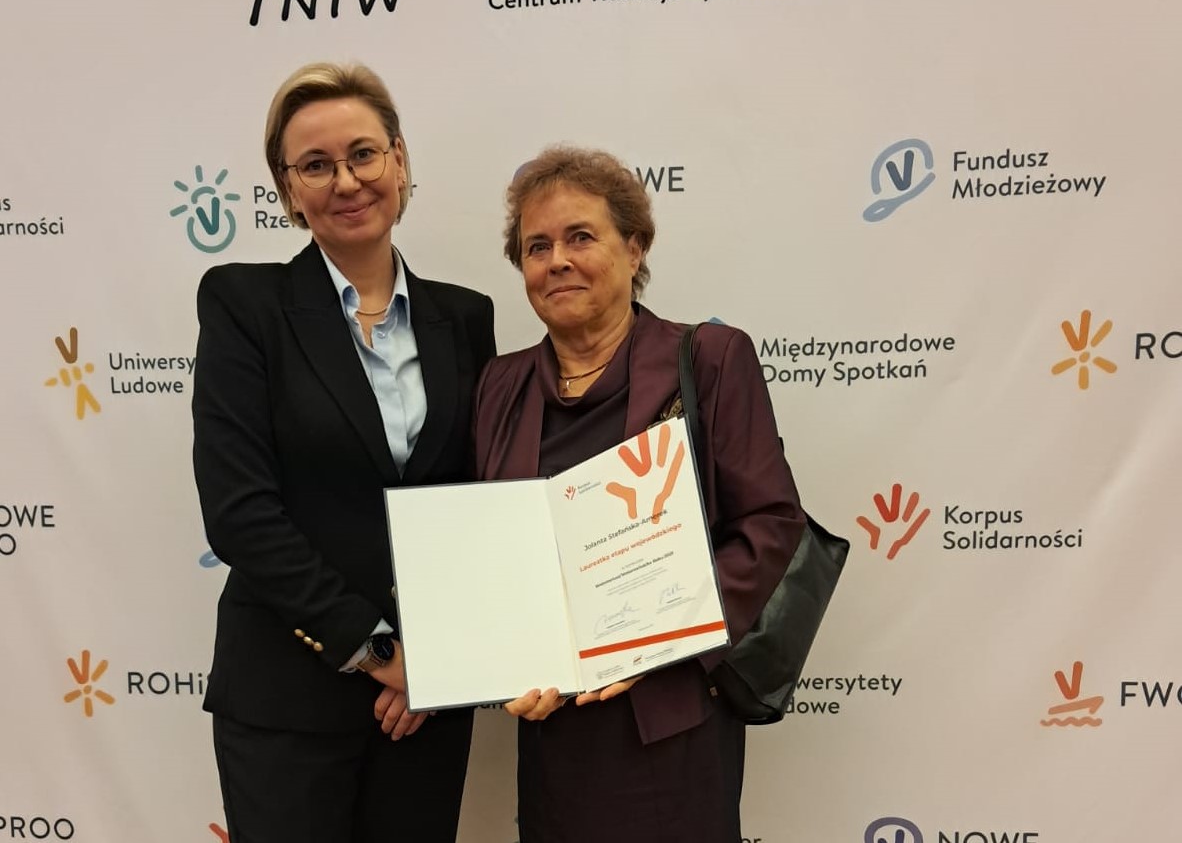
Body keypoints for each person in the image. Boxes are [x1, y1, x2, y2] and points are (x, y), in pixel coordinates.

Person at [192, 62, 496, 843]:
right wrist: (381, 650)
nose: (347, 181)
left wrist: (437, 662)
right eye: (316, 165)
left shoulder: (466, 318)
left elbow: (473, 504)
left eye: (363, 154)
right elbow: (240, 514)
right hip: (289, 701)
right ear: (288, 190)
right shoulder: (244, 305)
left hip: (425, 703)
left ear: (399, 160)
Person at [473, 146, 805, 842]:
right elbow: (492, 548)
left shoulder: (710, 360)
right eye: (537, 247)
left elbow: (771, 525)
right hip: (552, 728)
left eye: (580, 237)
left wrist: (649, 635)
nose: (557, 261)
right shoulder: (500, 385)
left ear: (634, 248)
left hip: (669, 722)